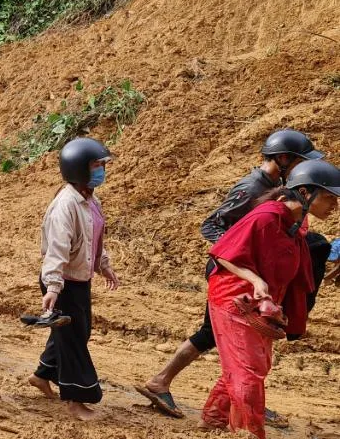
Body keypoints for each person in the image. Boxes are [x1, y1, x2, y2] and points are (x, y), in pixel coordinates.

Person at [138, 129, 329, 425]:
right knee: (221, 342)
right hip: (234, 275)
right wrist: (247, 252)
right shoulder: (252, 188)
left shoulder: (282, 189)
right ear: (283, 159)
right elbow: (212, 227)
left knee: (228, 345)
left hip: (255, 277)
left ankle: (218, 408)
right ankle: (170, 383)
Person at [200, 160, 340, 439]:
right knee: (248, 372)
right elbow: (223, 252)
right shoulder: (266, 216)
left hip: (263, 302)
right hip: (235, 298)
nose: (334, 205)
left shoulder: (295, 221)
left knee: (253, 365)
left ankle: (214, 418)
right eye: (329, 197)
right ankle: (248, 432)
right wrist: (255, 280)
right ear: (304, 192)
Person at [27, 137, 120, 420]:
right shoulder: (65, 205)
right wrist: (53, 286)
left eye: (103, 164)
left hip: (79, 278)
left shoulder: (90, 199)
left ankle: (42, 375)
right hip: (64, 282)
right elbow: (57, 249)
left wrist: (103, 265)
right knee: (74, 340)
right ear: (79, 168)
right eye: (97, 165)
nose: (102, 170)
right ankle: (76, 400)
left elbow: (95, 239)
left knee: (74, 333)